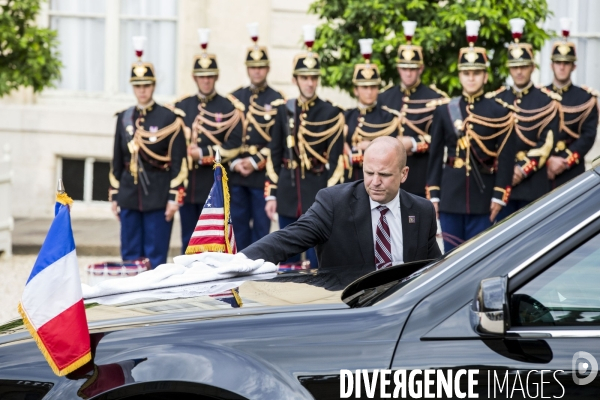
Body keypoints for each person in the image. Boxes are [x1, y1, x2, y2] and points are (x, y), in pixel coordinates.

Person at [243, 136, 441, 278]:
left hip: (405, 317)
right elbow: (288, 238)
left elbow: (435, 270)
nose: (375, 182)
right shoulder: (334, 203)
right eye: (369, 173)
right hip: (349, 314)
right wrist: (239, 261)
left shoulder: (422, 211)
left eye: (385, 175)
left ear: (404, 174)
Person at [426, 21, 516, 252]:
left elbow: (505, 158)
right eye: (466, 73)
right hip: (450, 196)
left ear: (485, 77)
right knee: (451, 257)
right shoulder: (445, 110)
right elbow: (435, 156)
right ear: (460, 76)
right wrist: (434, 196)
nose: (471, 78)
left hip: (484, 197)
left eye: (477, 73)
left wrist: (499, 197)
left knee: (480, 257)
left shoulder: (500, 112)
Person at [263, 25, 345, 268]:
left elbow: (337, 161)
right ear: (295, 79)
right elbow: (274, 155)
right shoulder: (283, 110)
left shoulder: (331, 113)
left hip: (318, 193)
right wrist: (272, 194)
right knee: (285, 258)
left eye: (313, 78)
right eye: (304, 78)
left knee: (317, 260)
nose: (309, 83)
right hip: (288, 193)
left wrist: (330, 197)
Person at [109, 36, 187, 269]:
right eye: (137, 86)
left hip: (159, 195)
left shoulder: (168, 118)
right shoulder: (124, 118)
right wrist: (114, 194)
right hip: (130, 195)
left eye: (146, 85)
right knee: (130, 255)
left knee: (155, 258)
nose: (142, 91)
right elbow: (117, 159)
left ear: (153, 86)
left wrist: (174, 197)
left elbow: (179, 163)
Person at [489, 18, 560, 220]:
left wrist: (522, 169)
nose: (519, 71)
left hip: (533, 182)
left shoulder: (547, 101)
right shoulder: (496, 99)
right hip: (500, 183)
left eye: (524, 66)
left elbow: (547, 142)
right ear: (509, 69)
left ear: (532, 67)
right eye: (514, 66)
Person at [227, 23, 287, 250]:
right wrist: (233, 162)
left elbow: (277, 140)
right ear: (247, 69)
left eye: (261, 67)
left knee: (262, 232)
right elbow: (227, 136)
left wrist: (254, 162)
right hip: (236, 176)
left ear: (268, 69)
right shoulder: (233, 98)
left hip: (262, 175)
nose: (257, 71)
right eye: (253, 67)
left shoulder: (278, 99)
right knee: (238, 230)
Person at [378, 21, 449, 198]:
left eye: (413, 68)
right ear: (398, 68)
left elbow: (442, 141)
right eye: (404, 68)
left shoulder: (436, 99)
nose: (408, 73)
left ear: (421, 69)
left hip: (420, 176)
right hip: (387, 179)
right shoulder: (384, 98)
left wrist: (415, 143)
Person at [546, 19, 599, 188]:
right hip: (542, 172)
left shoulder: (585, 98)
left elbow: (588, 135)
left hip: (571, 171)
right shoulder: (540, 96)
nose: (562, 67)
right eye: (558, 63)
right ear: (551, 65)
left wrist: (565, 160)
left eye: (566, 63)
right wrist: (547, 161)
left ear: (573, 66)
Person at [345, 38, 400, 182]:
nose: (369, 92)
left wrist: (369, 145)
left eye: (373, 87)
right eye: (364, 87)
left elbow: (392, 149)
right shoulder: (346, 116)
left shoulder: (389, 118)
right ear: (355, 90)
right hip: (349, 180)